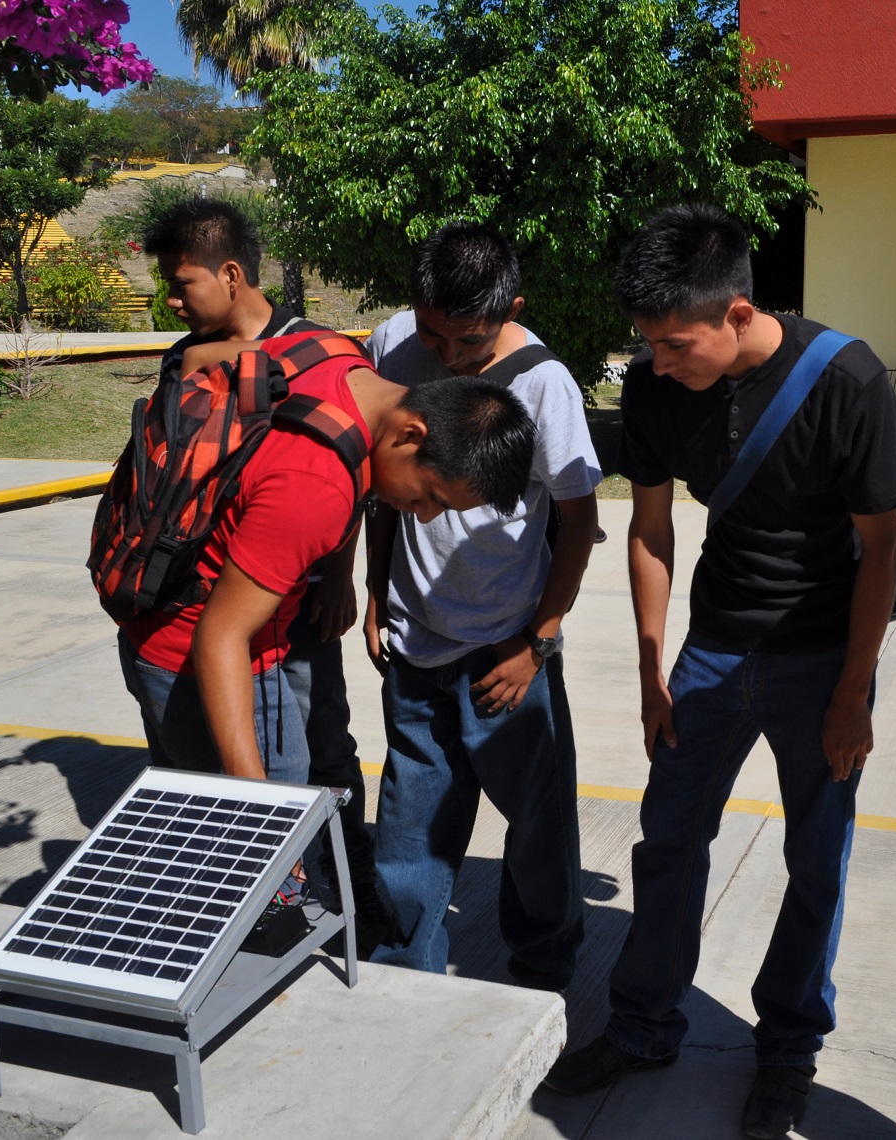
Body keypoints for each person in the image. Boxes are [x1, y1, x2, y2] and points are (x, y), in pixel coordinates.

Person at [543, 204, 896, 1140]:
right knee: (667, 841)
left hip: (824, 657)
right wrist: (650, 668)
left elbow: (881, 553)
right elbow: (653, 528)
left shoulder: (848, 379)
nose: (661, 362)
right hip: (713, 649)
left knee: (814, 863)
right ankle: (642, 1026)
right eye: (649, 344)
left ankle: (788, 1054)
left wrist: (850, 697)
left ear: (739, 312)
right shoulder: (655, 387)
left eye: (677, 343)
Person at [116, 335, 536, 794]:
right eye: (430, 495)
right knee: (256, 845)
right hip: (201, 670)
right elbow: (220, 636)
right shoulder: (316, 489)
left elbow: (197, 359)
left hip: (152, 627)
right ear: (411, 433)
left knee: (195, 831)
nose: (424, 514)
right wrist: (255, 805)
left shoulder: (335, 353)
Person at [360, 221, 601, 991]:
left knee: (537, 834)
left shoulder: (542, 383)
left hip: (507, 650)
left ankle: (542, 977)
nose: (446, 356)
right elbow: (384, 493)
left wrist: (539, 638)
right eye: (432, 333)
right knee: (407, 831)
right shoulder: (394, 344)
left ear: (510, 309)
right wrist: (373, 590)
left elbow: (581, 521)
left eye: (466, 341)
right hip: (416, 642)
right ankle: (406, 982)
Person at [142, 198, 385, 942]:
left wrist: (342, 573)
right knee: (238, 768)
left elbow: (352, 467)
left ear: (233, 272)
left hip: (299, 603)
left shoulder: (323, 350)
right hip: (211, 606)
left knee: (328, 755)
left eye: (184, 285)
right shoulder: (186, 357)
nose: (174, 301)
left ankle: (352, 899)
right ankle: (271, 910)